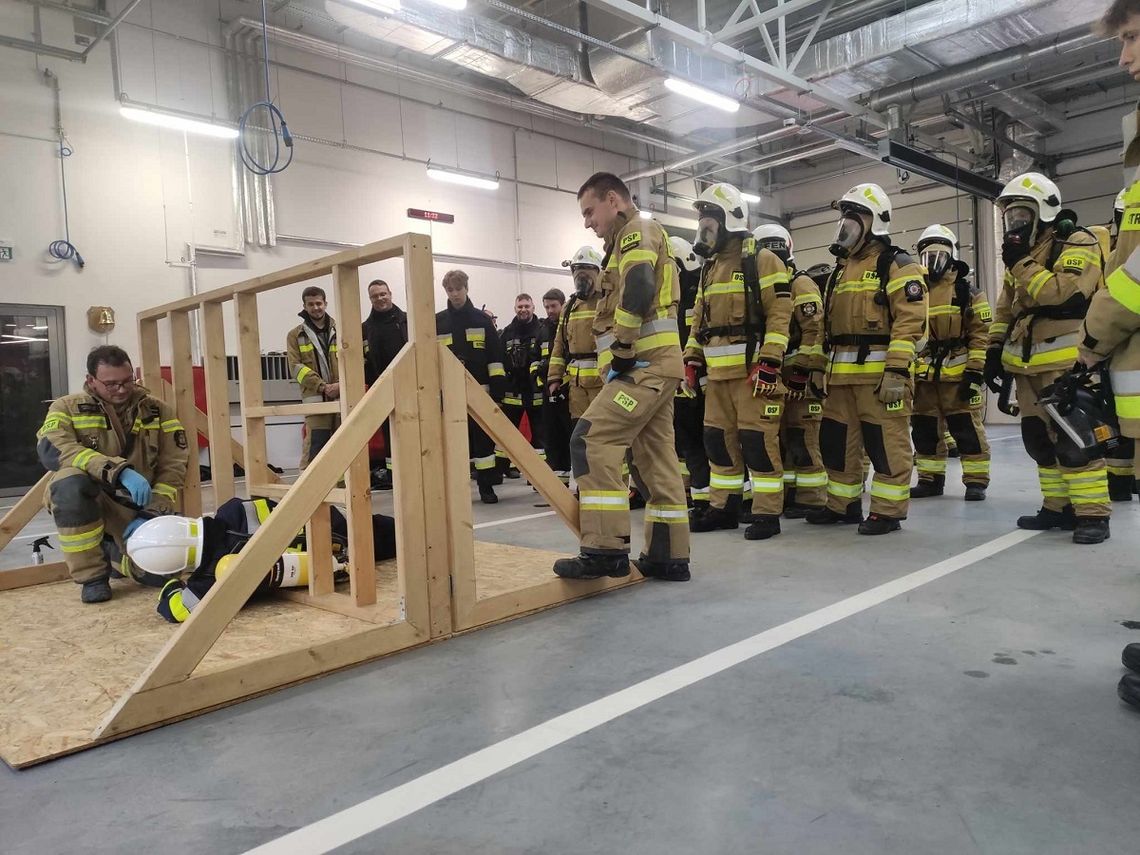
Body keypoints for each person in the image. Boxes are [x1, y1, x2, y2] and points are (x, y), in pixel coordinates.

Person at [554, 172, 689, 581]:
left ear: (613, 199)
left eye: (589, 211)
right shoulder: (625, 243)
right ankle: (669, 556)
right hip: (656, 367)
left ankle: (604, 549)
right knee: (655, 458)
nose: (587, 222)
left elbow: (640, 285)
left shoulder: (637, 231)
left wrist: (624, 347)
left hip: (642, 368)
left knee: (591, 439)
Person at [985, 172, 1110, 543]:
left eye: (1023, 214)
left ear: (1044, 211)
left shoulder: (1078, 243)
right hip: (1025, 365)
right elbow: (1006, 311)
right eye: (1010, 216)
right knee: (1038, 440)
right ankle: (1058, 508)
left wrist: (1022, 264)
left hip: (1067, 363)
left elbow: (1064, 294)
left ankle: (1092, 515)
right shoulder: (1021, 257)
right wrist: (993, 352)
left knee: (1075, 438)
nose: (1015, 224)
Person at [807, 182, 928, 535]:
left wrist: (896, 371)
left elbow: (911, 320)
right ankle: (842, 506)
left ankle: (888, 512)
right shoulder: (841, 269)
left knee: (886, 446)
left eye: (853, 216)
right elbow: (824, 326)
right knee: (837, 446)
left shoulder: (897, 263)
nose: (845, 224)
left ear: (873, 222)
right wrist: (817, 369)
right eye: (844, 217)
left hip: (879, 379)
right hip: (840, 380)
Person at [35, 345, 190, 603]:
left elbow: (173, 463)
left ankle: (116, 556)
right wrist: (117, 472)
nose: (121, 389)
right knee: (69, 483)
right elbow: (54, 450)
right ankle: (92, 577)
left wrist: (153, 509)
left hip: (135, 504)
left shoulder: (157, 410)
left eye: (127, 381)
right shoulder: (66, 408)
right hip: (88, 496)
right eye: (111, 384)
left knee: (162, 574)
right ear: (91, 381)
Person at [683, 184, 792, 541]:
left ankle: (766, 513)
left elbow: (780, 314)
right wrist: (692, 359)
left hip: (752, 375)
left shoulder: (762, 260)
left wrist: (771, 361)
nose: (703, 226)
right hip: (717, 378)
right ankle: (724, 508)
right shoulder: (708, 268)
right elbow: (698, 319)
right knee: (718, 442)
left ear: (728, 219)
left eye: (709, 218)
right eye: (701, 219)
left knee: (758, 443)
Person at [126, 496, 398, 623]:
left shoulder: (208, 580)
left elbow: (174, 611)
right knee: (399, 531)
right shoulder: (234, 510)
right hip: (340, 520)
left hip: (342, 556)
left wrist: (171, 584)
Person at [909, 225, 993, 501]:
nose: (932, 261)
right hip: (924, 378)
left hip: (957, 377)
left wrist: (975, 374)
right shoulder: (915, 291)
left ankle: (976, 481)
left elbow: (981, 336)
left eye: (938, 253)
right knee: (925, 432)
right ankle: (930, 480)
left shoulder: (967, 292)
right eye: (926, 254)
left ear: (952, 255)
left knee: (966, 431)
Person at [753, 226, 829, 519]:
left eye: (776, 246)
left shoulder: (801, 284)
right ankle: (786, 496)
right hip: (773, 376)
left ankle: (812, 498)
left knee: (803, 437)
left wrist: (802, 371)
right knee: (778, 439)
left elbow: (815, 331)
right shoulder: (762, 286)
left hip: (800, 377)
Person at [436, 269, 507, 503]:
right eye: (450, 290)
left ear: (467, 288)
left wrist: (497, 393)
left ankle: (486, 487)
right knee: (453, 442)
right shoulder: (438, 322)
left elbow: (496, 359)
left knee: (483, 442)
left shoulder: (482, 320)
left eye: (459, 289)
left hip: (481, 391)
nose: (455, 294)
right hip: (448, 392)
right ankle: (455, 490)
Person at [669, 236, 711, 513]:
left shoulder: (699, 288)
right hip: (678, 382)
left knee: (712, 441)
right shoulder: (666, 297)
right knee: (686, 443)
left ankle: (714, 499)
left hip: (705, 380)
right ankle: (697, 496)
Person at [547, 248, 604, 443]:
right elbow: (559, 344)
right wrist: (554, 377)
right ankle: (584, 475)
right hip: (576, 385)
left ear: (598, 272)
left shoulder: (607, 301)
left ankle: (613, 475)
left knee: (605, 436)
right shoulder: (569, 306)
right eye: (577, 271)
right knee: (580, 436)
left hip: (604, 382)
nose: (581, 277)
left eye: (587, 270)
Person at [361, 279, 408, 490]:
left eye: (383, 294)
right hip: (380, 390)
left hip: (410, 387)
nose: (380, 298)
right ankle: (394, 478)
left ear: (390, 293)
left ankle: (413, 473)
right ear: (370, 299)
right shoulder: (365, 329)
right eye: (375, 296)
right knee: (389, 437)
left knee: (411, 432)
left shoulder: (408, 321)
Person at [287, 286, 340, 470]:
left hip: (343, 397)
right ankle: (312, 493)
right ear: (305, 306)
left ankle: (342, 492)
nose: (316, 307)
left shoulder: (341, 330)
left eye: (319, 303)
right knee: (316, 448)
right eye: (311, 304)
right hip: (316, 402)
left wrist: (341, 386)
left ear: (325, 304)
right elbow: (296, 368)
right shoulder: (295, 335)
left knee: (344, 446)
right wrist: (323, 387)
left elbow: (355, 360)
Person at [499, 293, 551, 473]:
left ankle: (539, 474)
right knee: (507, 434)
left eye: (526, 306)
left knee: (540, 437)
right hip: (512, 391)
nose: (523, 310)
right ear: (515, 308)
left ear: (533, 308)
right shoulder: (506, 332)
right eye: (520, 307)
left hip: (535, 390)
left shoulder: (542, 330)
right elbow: (499, 359)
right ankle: (503, 469)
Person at [540, 288, 573, 480]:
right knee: (551, 435)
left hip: (569, 389)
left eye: (553, 306)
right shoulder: (542, 330)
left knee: (570, 433)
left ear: (562, 304)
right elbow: (535, 357)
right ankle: (556, 478)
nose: (550, 310)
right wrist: (538, 375)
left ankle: (572, 474)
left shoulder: (569, 325)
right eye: (547, 307)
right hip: (548, 390)